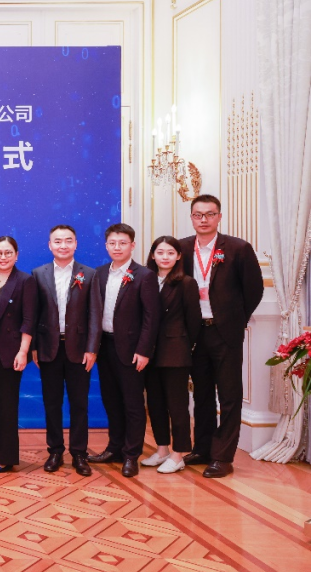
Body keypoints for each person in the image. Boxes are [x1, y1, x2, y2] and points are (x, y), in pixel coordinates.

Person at [179, 195, 264, 478]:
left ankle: (223, 457)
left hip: (225, 332)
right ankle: (202, 449)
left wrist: (236, 320)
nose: (203, 219)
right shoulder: (181, 248)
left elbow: (254, 289)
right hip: (194, 332)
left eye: (210, 214)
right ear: (191, 217)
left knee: (229, 395)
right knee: (201, 394)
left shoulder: (238, 248)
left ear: (219, 217)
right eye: (198, 214)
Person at [87, 223, 160, 478]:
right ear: (106, 245)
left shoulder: (144, 275)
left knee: (133, 404)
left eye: (122, 243)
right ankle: (114, 448)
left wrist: (144, 350)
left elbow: (151, 317)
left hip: (131, 349)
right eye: (112, 243)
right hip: (105, 346)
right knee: (111, 401)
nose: (117, 247)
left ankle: (131, 455)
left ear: (132, 245)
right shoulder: (98, 273)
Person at [31, 225, 100, 477]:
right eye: (57, 241)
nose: (63, 245)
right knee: (52, 402)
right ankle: (55, 451)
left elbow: (95, 314)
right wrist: (34, 347)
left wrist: (92, 349)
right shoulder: (38, 274)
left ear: (76, 244)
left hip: (79, 350)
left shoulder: (89, 274)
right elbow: (33, 313)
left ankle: (79, 453)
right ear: (50, 245)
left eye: (68, 240)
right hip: (48, 348)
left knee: (79, 403)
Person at [142, 236, 201, 474]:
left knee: (177, 405)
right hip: (149, 352)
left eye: (170, 253)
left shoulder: (186, 283)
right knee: (155, 403)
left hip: (175, 352)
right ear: (153, 255)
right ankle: (162, 449)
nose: (165, 257)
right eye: (160, 252)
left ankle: (178, 454)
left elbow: (193, 321)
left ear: (178, 256)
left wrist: (183, 345)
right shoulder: (145, 280)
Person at [0, 236, 37, 474]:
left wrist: (23, 351)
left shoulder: (25, 280)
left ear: (16, 255)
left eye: (8, 253)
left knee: (7, 403)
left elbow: (29, 319)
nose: (3, 257)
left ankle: (7, 457)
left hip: (12, 351)